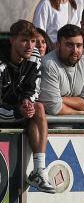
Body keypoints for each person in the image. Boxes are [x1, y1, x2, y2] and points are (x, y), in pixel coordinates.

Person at [0, 20, 52, 192]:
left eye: (33, 41)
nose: (30, 45)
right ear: (12, 40)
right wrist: (17, 111)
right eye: (24, 40)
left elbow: (33, 88)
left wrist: (27, 102)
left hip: (15, 111)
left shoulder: (34, 55)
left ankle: (39, 170)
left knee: (38, 108)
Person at [38, 25, 84, 117]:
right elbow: (54, 108)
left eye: (79, 45)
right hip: (53, 125)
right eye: (69, 45)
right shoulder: (48, 64)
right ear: (58, 45)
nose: (75, 50)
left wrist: (60, 99)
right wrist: (79, 112)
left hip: (81, 122)